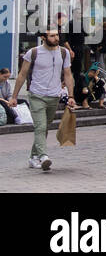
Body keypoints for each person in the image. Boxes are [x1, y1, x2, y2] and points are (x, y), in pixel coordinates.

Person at [7, 28, 76, 171]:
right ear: (44, 37)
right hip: (36, 95)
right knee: (41, 126)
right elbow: (22, 75)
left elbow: (68, 75)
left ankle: (33, 158)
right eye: (52, 36)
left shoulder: (64, 53)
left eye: (57, 35)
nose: (56, 38)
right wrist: (14, 96)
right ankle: (43, 156)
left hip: (54, 96)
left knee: (44, 127)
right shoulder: (33, 53)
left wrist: (70, 96)